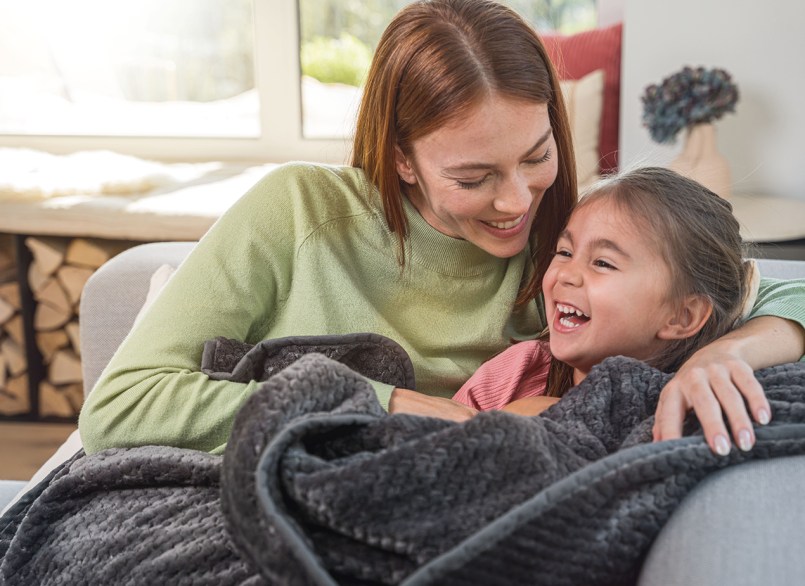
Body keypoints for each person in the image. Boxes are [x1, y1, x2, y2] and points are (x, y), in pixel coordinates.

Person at [78, 0, 805, 458]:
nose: (517, 201)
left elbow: (763, 290)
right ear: (402, 158)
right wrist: (401, 405)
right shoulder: (296, 211)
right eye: (473, 177)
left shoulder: (564, 265)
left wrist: (726, 353)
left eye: (536, 154)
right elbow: (122, 405)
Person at [449, 167, 785, 456]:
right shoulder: (515, 373)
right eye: (564, 251)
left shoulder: (686, 404)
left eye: (603, 263)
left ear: (682, 317)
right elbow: (428, 456)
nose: (565, 274)